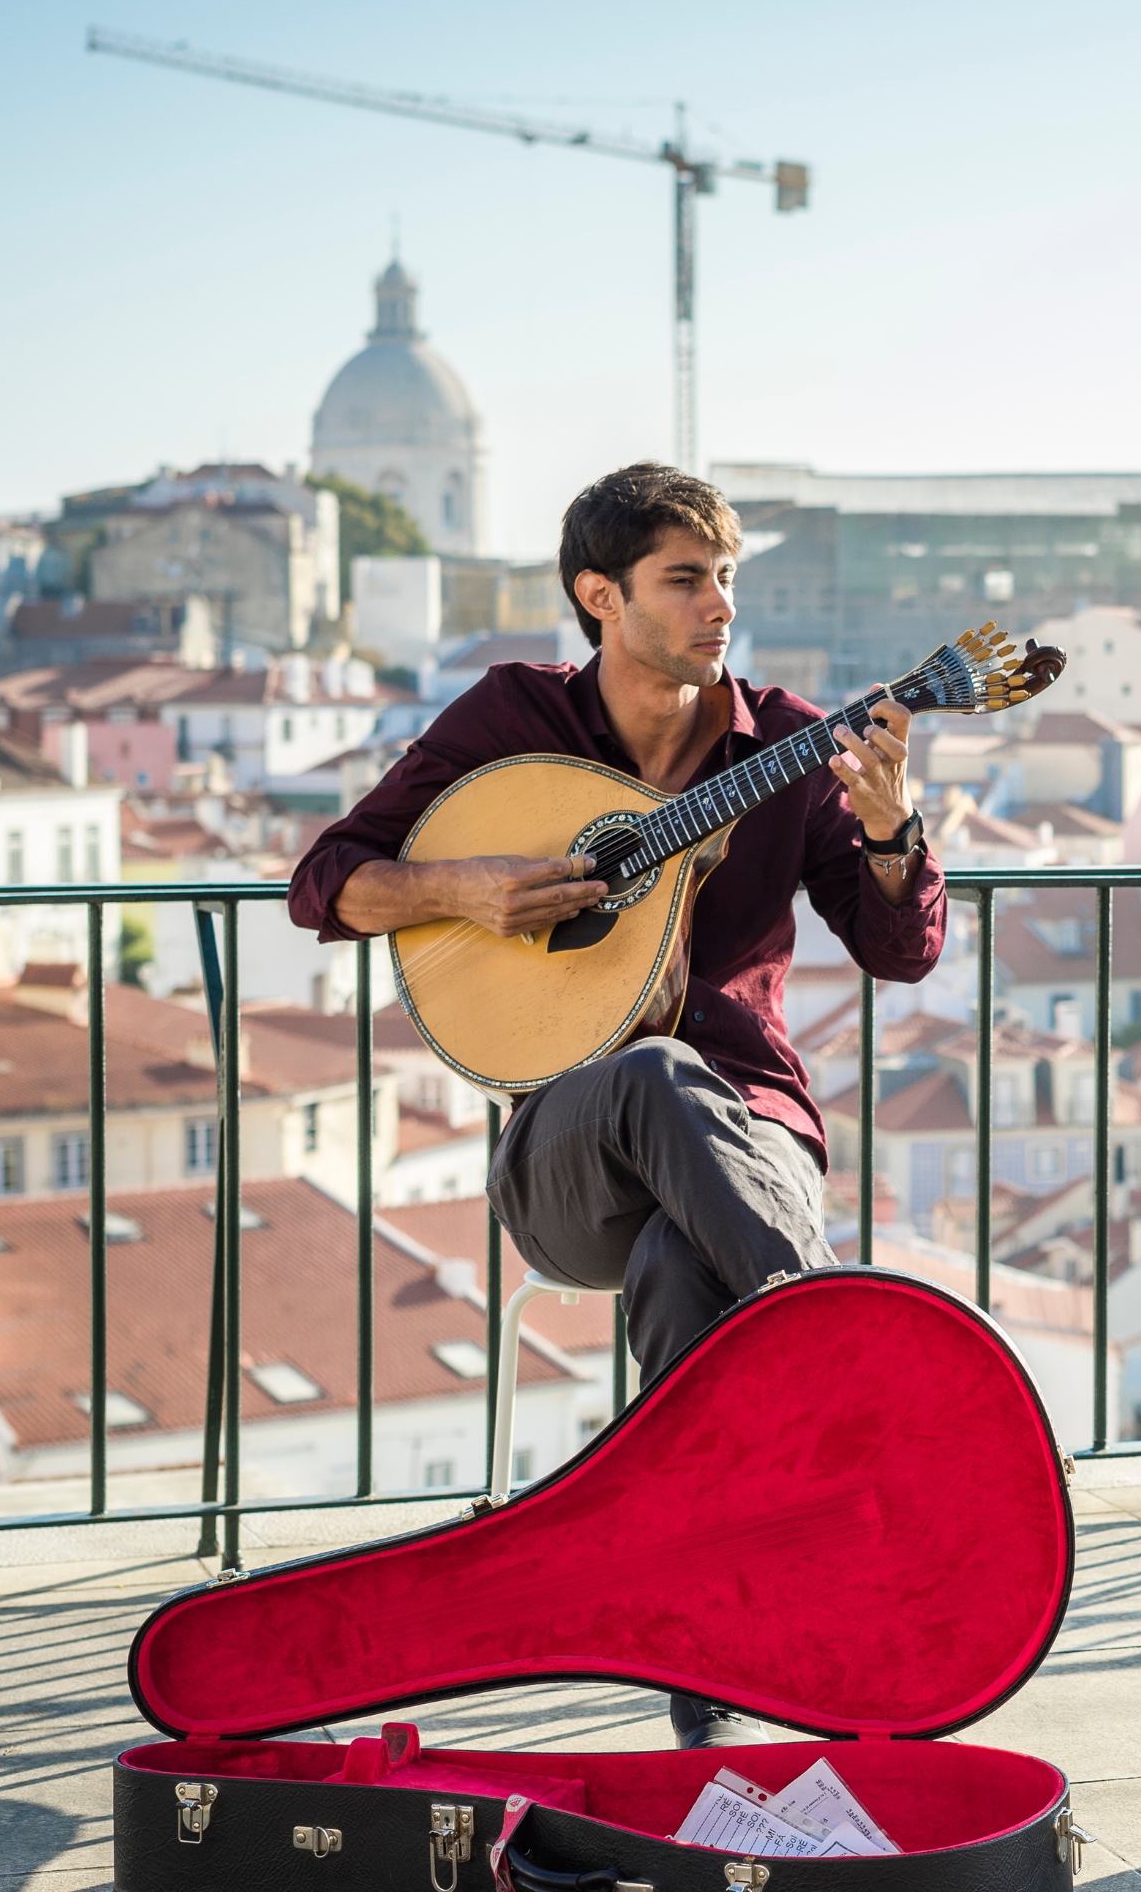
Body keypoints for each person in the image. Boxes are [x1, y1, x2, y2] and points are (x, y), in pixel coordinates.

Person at [289, 462, 944, 1749]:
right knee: (646, 1072)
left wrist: (888, 832)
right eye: (686, 579)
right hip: (568, 1154)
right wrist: (464, 888)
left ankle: (718, 1697)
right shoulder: (513, 721)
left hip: (753, 1139)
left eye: (728, 578)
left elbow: (901, 952)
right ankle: (854, 1387)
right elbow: (326, 879)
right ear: (601, 595)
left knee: (678, 1268)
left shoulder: (789, 741)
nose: (720, 607)